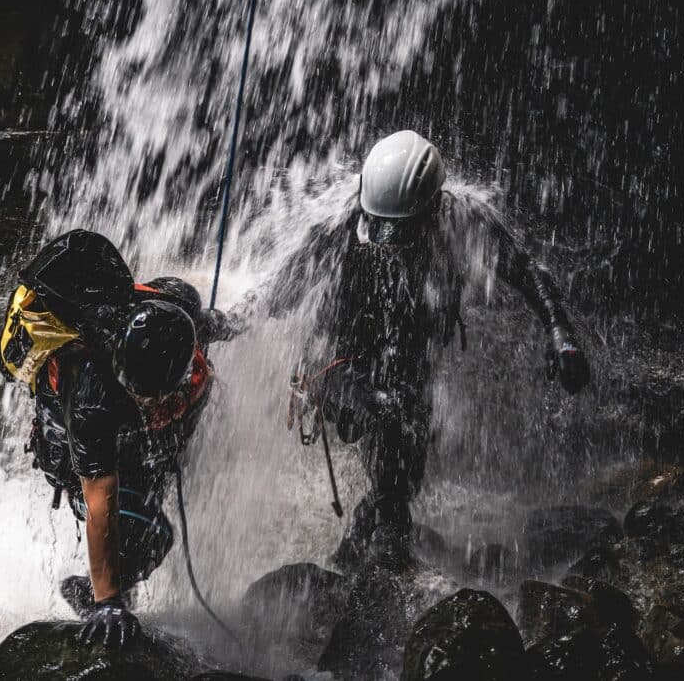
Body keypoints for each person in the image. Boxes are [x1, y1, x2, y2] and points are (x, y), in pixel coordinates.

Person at [251, 130, 590, 569]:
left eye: (401, 228)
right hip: (335, 360)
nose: (388, 239)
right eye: (380, 225)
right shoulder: (341, 224)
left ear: (432, 208)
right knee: (388, 412)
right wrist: (223, 320)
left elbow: (526, 270)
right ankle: (389, 545)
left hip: (410, 353)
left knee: (406, 450)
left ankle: (363, 537)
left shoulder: (462, 218)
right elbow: (277, 292)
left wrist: (559, 331)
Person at [0, 229, 234, 648]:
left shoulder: (172, 315)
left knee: (185, 294)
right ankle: (94, 592)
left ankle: (121, 554)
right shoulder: (92, 397)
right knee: (148, 533)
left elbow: (199, 324)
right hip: (67, 442)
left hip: (135, 433)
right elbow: (99, 500)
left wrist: (230, 322)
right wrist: (109, 603)